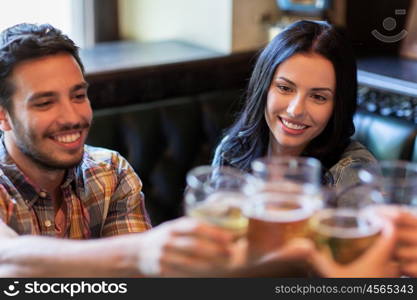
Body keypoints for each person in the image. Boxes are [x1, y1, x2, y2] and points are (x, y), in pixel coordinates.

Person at [0, 23, 237, 277]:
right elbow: (6, 258)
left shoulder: (111, 172)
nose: (72, 117)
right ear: (3, 116)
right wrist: (141, 252)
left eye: (78, 96)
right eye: (45, 103)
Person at [212, 20, 377, 191]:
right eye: (284, 88)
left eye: (318, 97)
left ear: (338, 106)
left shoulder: (354, 171)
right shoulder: (234, 148)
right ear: (263, 87)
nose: (295, 110)